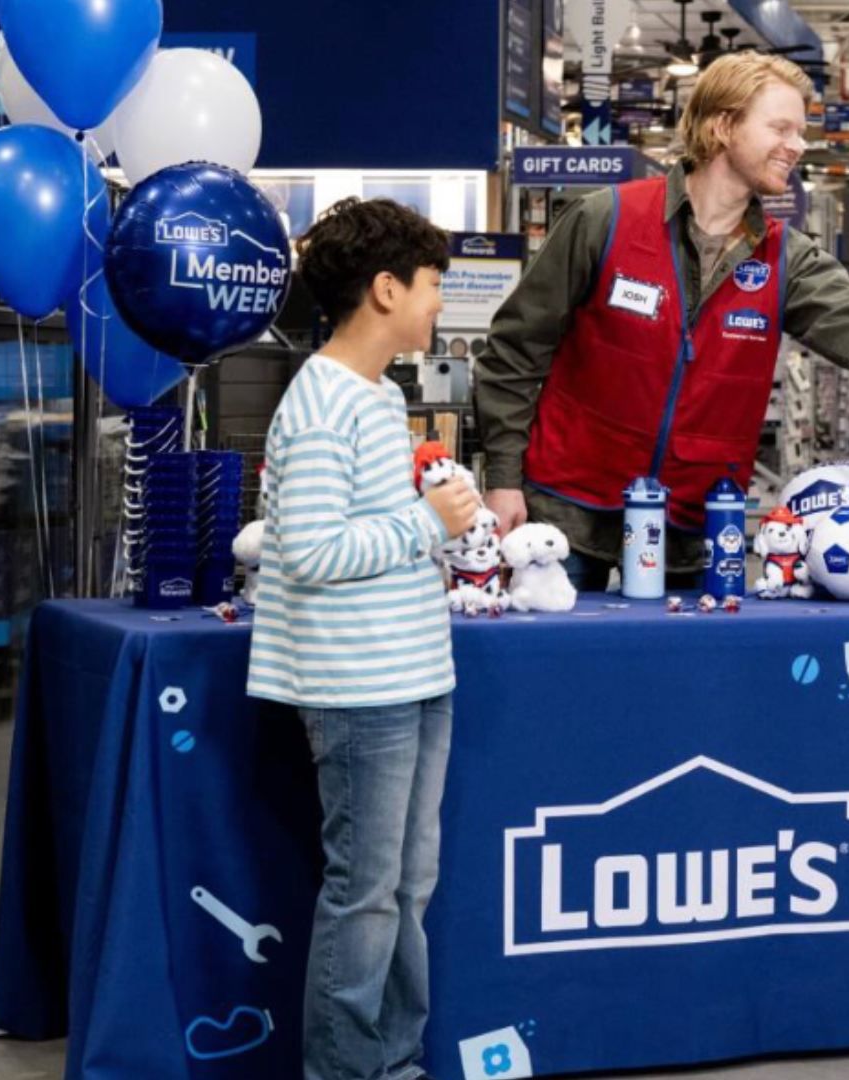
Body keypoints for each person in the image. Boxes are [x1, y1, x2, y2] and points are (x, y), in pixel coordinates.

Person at [475, 52, 849, 587]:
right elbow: (514, 353)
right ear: (722, 126)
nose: (797, 145)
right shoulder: (605, 220)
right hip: (565, 513)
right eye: (781, 128)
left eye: (801, 131)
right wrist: (503, 479)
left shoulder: (784, 259)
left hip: (691, 526)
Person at [246, 197, 479, 1080]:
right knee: (367, 897)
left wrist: (428, 529)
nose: (436, 305)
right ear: (385, 289)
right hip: (358, 691)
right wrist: (426, 524)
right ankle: (348, 1071)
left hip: (413, 676)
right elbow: (306, 551)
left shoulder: (376, 396)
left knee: (404, 890)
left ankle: (396, 1061)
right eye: (430, 286)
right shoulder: (320, 406)